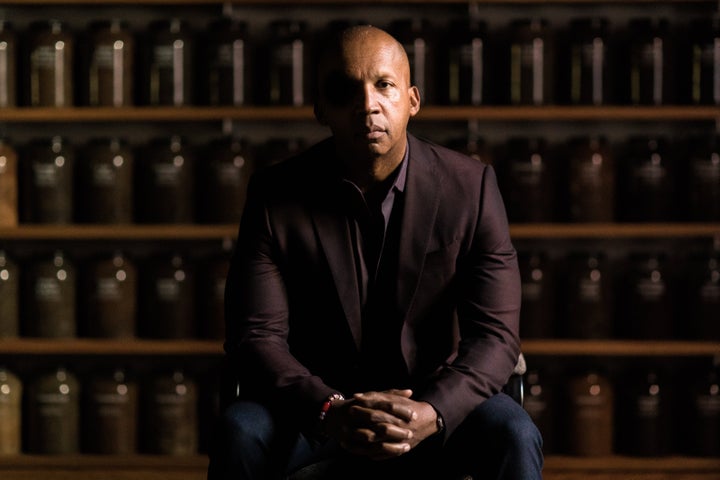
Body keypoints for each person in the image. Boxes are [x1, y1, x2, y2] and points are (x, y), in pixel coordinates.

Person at [208, 24, 543, 480]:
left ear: (412, 100)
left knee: (515, 434)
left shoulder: (472, 188)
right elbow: (256, 337)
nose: (368, 105)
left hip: (433, 401)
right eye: (346, 91)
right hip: (317, 407)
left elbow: (496, 336)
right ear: (321, 109)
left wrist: (432, 411)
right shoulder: (275, 196)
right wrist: (331, 409)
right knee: (239, 431)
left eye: (384, 85)